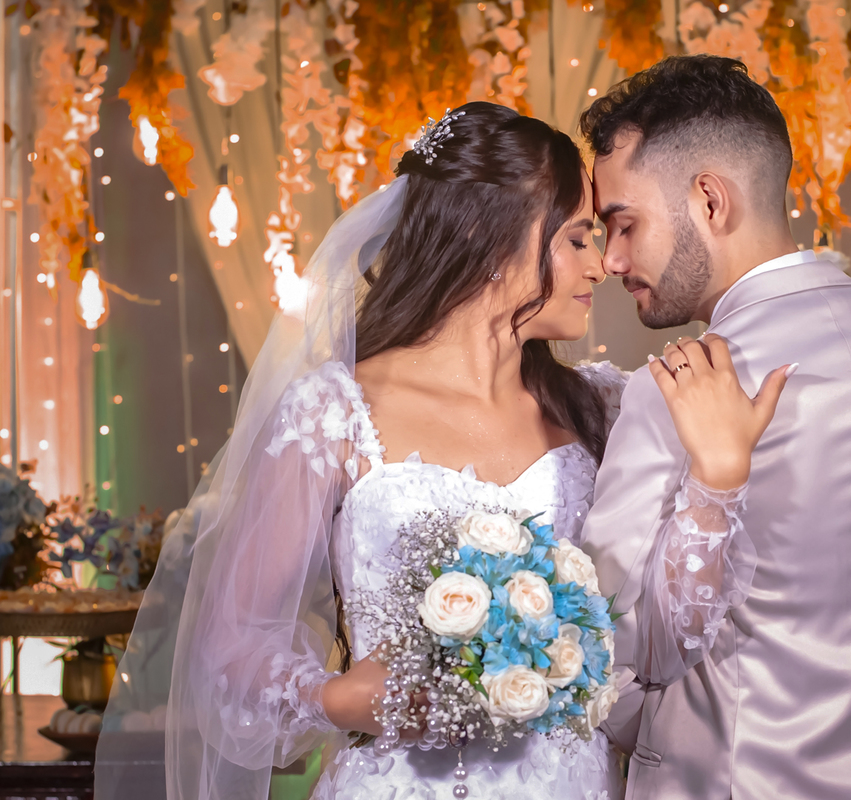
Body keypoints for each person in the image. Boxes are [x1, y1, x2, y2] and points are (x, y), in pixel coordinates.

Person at [95, 101, 789, 800]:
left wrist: (716, 480)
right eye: (576, 239)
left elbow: (676, 630)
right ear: (491, 239)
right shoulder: (335, 414)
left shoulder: (603, 407)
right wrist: (342, 698)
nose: (603, 265)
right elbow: (229, 650)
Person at [578, 55, 851, 799]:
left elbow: (616, 639)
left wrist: (665, 737)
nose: (611, 260)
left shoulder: (672, 387)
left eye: (624, 223)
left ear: (709, 200)